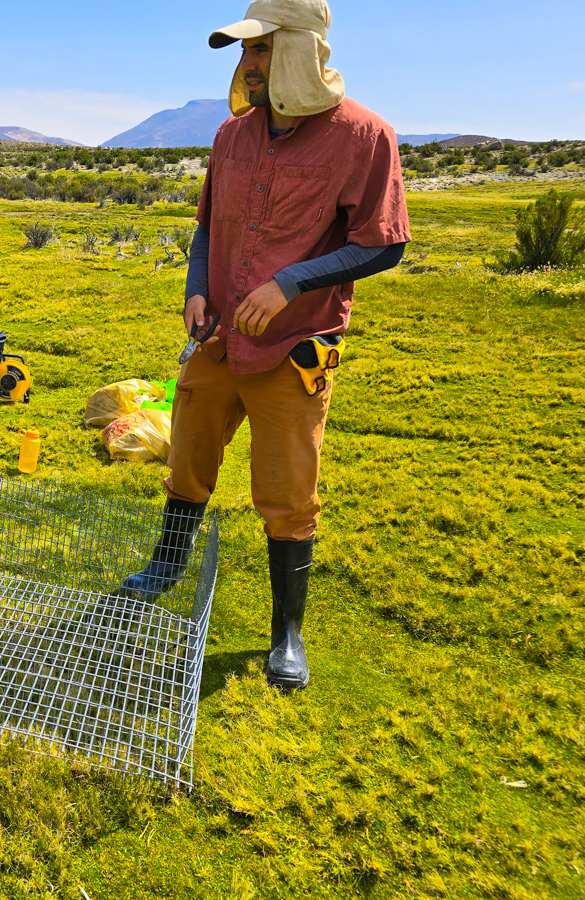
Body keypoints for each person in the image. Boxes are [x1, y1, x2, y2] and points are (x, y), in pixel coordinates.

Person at [123, 0, 410, 691]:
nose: (246, 67)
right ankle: (166, 564)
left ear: (301, 53)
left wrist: (290, 284)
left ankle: (286, 632)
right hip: (217, 338)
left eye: (259, 52)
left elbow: (383, 242)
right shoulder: (232, 137)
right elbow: (206, 229)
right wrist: (196, 287)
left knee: (287, 489)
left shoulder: (366, 137)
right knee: (189, 454)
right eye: (244, 54)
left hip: (295, 346)